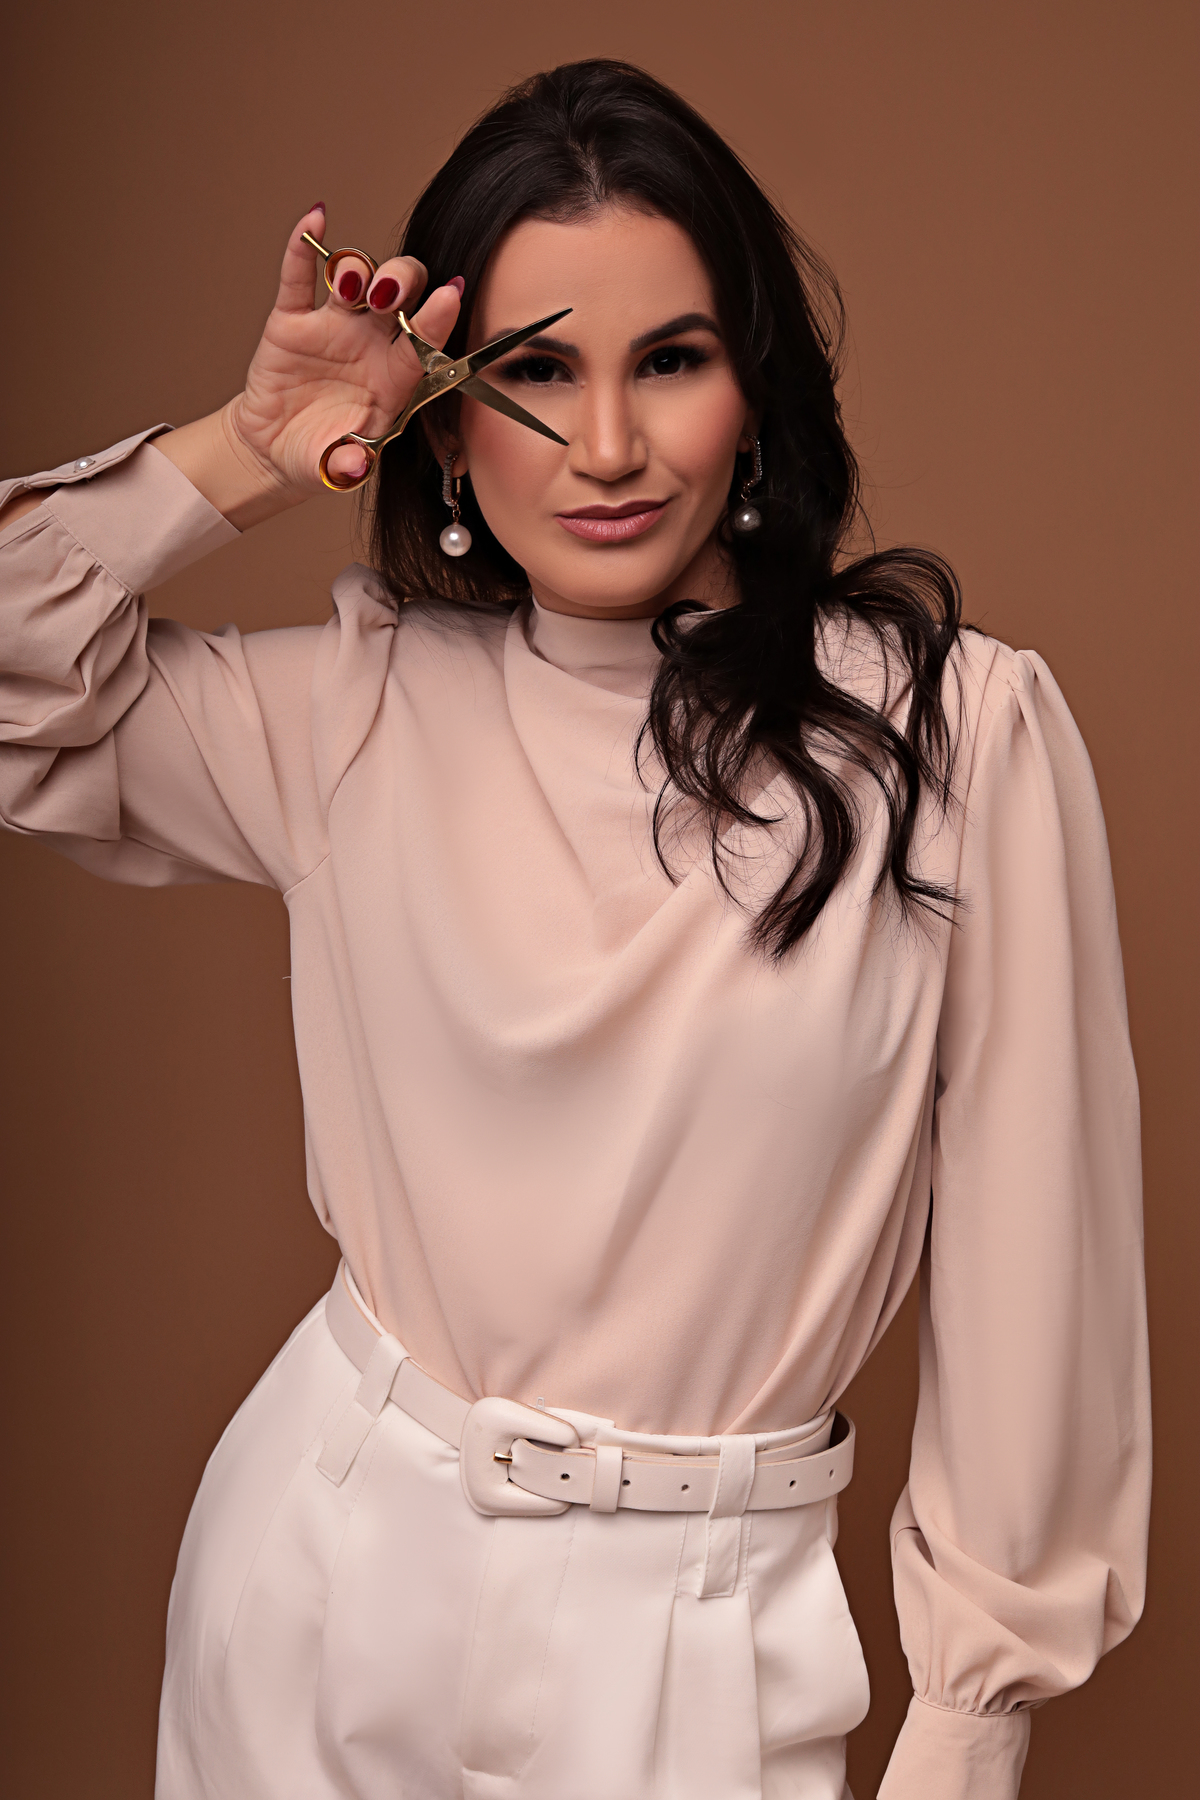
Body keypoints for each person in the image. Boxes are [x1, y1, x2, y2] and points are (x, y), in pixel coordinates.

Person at [0, 58, 1148, 1800]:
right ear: (444, 420)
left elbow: (1036, 1261)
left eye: (669, 360)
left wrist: (970, 1724)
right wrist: (249, 445)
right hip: (324, 1579)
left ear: (753, 397)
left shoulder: (956, 736)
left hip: (706, 1630)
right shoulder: (352, 711)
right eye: (536, 371)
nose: (605, 448)